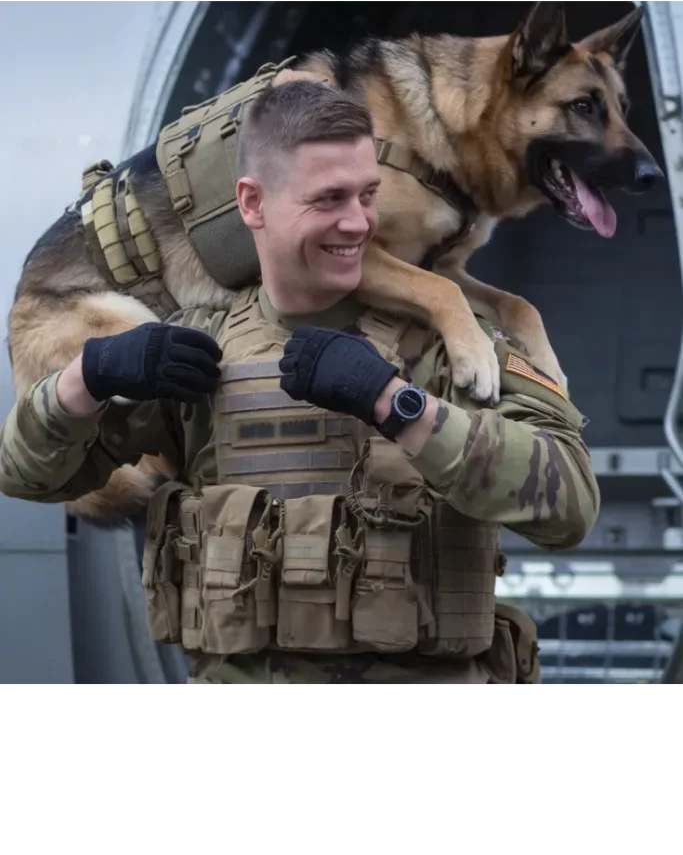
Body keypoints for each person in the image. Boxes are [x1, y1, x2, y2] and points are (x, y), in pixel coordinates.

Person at [0, 79, 600, 687]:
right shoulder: (195, 355)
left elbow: (571, 506)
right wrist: (89, 377)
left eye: (369, 194)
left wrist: (400, 406)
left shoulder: (454, 348)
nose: (359, 222)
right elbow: (27, 474)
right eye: (329, 199)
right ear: (252, 204)